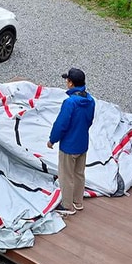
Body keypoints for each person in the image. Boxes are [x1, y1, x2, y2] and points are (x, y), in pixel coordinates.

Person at [46, 68, 95, 216]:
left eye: (67, 80)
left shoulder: (70, 103)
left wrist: (52, 140)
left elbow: (61, 124)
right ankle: (78, 202)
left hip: (69, 146)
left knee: (66, 176)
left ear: (71, 83)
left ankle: (67, 206)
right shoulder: (90, 100)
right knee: (79, 173)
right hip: (83, 143)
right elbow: (89, 121)